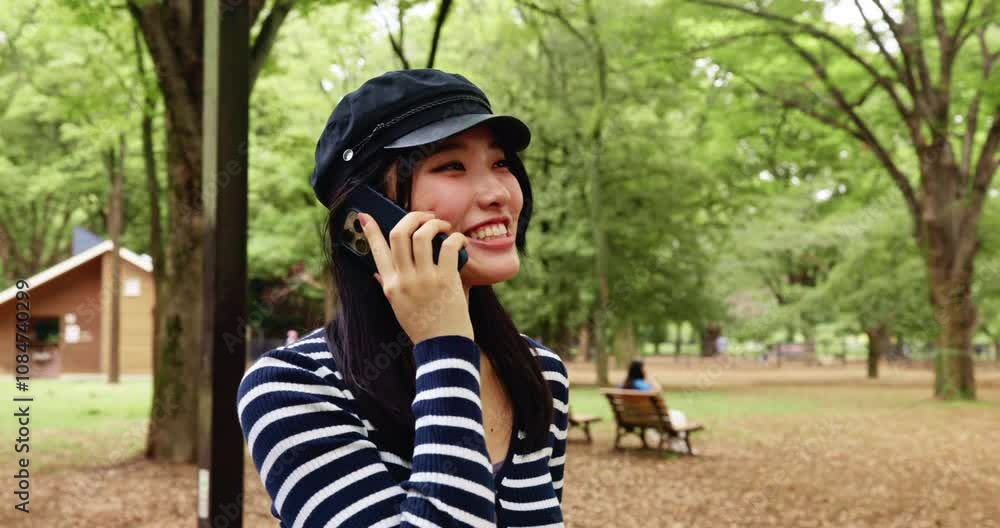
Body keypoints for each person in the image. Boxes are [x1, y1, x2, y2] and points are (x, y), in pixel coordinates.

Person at [237, 69, 568, 528]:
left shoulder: (539, 373)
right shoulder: (295, 387)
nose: (498, 194)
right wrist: (445, 346)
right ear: (364, 219)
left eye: (500, 163)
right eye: (451, 166)